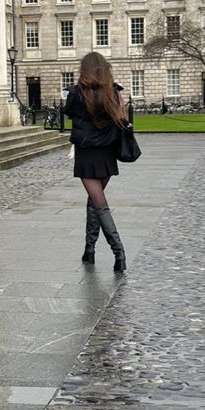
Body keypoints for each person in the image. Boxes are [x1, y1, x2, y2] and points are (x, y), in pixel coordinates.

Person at [64, 51, 128, 272]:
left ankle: (119, 252)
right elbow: (122, 120)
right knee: (94, 201)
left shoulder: (76, 94)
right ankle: (89, 249)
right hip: (107, 153)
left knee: (99, 204)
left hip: (87, 154)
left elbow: (68, 113)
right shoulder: (115, 93)